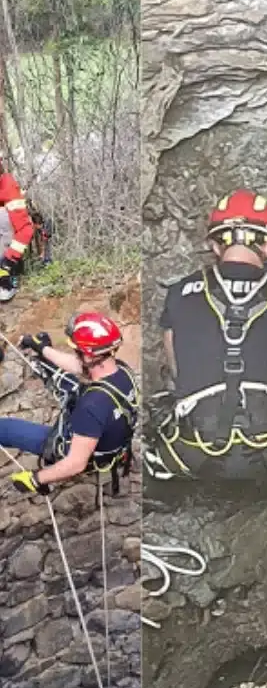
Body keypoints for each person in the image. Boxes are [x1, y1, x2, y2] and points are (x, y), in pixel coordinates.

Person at [145, 188, 267, 484]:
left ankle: (165, 474)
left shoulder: (179, 294)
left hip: (193, 452)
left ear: (216, 245)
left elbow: (178, 372)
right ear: (266, 244)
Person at [3, 312, 138, 495]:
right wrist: (43, 349)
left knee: (4, 429)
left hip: (76, 449)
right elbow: (79, 367)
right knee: (69, 383)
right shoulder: (123, 372)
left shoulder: (91, 406)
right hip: (112, 444)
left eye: (78, 352)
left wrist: (36, 479)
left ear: (89, 356)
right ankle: (44, 362)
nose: (76, 355)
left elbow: (75, 463)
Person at [0, 161, 35, 302]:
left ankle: (8, 275)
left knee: (3, 217)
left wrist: (8, 260)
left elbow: (26, 230)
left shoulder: (8, 188)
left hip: (8, 253)